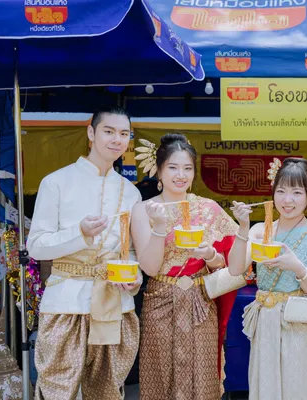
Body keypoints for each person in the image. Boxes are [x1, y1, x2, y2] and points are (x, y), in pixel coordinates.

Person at [28, 106, 142, 400]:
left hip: (114, 303)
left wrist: (135, 278)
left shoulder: (131, 192)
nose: (116, 139)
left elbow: (130, 250)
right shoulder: (56, 182)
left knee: (107, 391)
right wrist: (79, 234)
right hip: (66, 301)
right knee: (56, 389)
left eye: (124, 134)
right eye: (108, 131)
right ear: (91, 133)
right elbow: (36, 245)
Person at [130, 133, 238, 399]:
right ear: (159, 170)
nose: (181, 175)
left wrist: (211, 255)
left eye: (187, 168)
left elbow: (230, 264)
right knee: (159, 379)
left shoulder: (209, 209)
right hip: (160, 301)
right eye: (173, 167)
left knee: (202, 382)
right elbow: (150, 268)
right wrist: (159, 227)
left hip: (200, 303)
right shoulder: (143, 210)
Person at [228, 158, 307, 400]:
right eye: (281, 191)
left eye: (296, 192)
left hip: (300, 327)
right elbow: (235, 268)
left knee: (298, 390)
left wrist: (298, 268)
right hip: (265, 325)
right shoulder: (260, 231)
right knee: (264, 390)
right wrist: (243, 226)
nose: (287, 200)